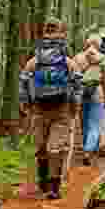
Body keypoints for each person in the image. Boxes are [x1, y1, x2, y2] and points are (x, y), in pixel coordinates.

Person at [21, 19, 77, 199]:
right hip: (62, 109)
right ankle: (54, 186)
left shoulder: (34, 62)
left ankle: (43, 182)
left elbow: (24, 82)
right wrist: (75, 106)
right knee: (56, 147)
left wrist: (26, 105)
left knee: (42, 146)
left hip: (39, 109)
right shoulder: (67, 62)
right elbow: (77, 84)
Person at [72, 33, 105, 167]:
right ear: (99, 45)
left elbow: (72, 77)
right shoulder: (103, 59)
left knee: (84, 122)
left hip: (81, 93)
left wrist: (73, 95)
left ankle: (87, 147)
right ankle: (88, 150)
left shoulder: (78, 58)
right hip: (97, 93)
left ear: (87, 43)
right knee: (95, 124)